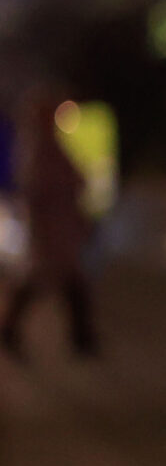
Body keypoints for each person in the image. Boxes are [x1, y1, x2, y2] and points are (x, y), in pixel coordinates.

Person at [1, 90, 99, 360]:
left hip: (60, 227)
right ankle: (10, 330)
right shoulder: (37, 149)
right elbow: (37, 190)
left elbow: (75, 180)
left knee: (68, 282)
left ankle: (82, 337)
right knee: (43, 280)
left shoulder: (51, 146)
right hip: (49, 229)